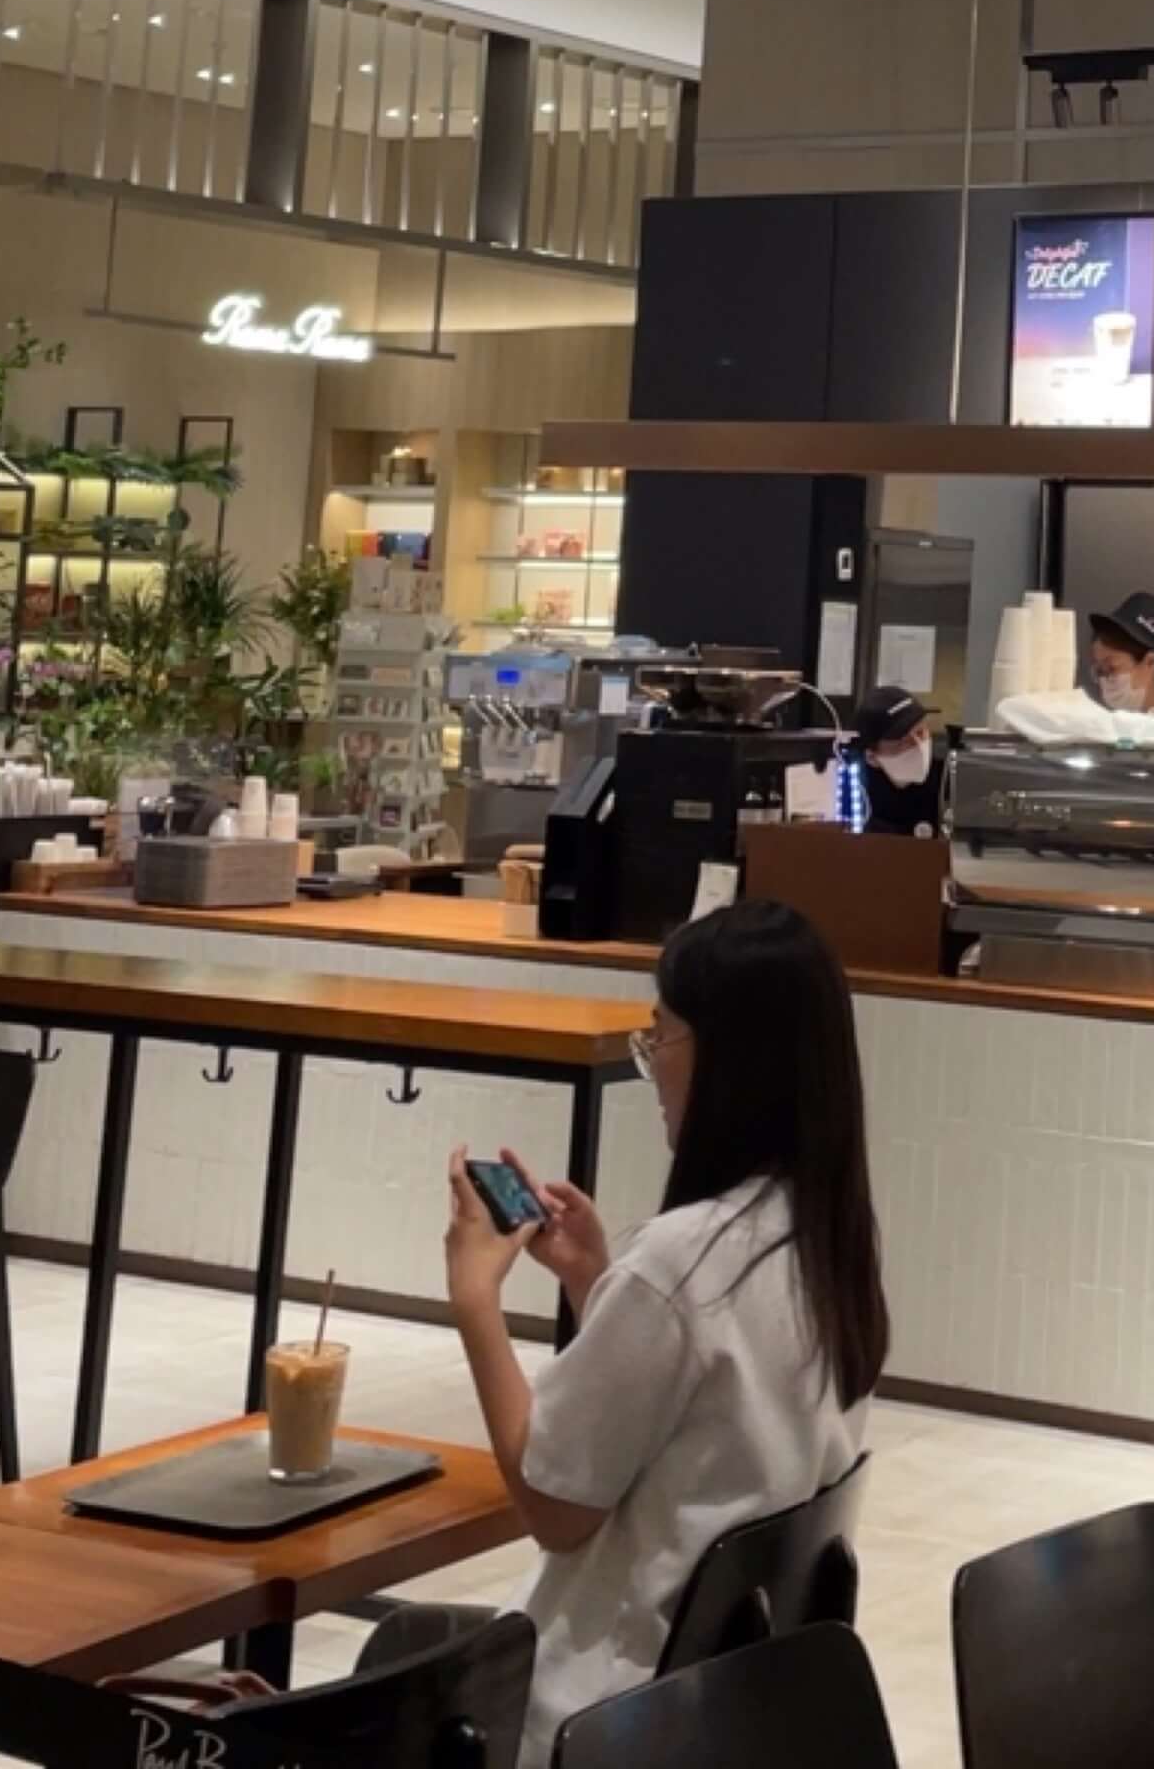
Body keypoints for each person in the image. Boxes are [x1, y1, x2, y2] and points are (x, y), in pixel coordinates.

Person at [442, 898, 884, 1762]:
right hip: (729, 1709)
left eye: (660, 1036)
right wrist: (594, 1284)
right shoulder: (826, 1243)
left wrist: (475, 1302)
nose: (651, 1063)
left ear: (729, 1059)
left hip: (600, 1716)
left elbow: (554, 1507)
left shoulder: (678, 1265)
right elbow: (706, 1426)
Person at [849, 684, 940, 834]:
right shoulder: (857, 795)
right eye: (904, 742)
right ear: (872, 757)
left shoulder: (946, 781)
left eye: (921, 733)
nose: (919, 746)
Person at [1085, 589, 1154, 714]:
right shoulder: (1100, 724)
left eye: (1111, 668)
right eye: (1099, 671)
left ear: (1151, 662)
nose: (1104, 681)